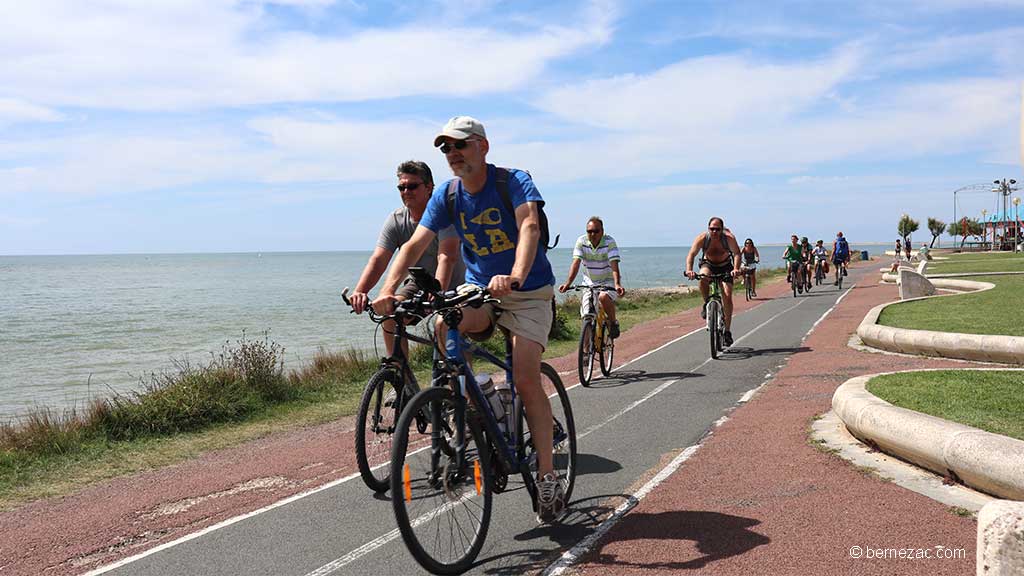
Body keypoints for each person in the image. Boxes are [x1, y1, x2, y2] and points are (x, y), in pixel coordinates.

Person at [371, 116, 565, 523]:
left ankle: (547, 474)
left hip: (527, 291)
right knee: (445, 324)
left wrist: (514, 273)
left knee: (526, 376)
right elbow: (413, 245)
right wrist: (388, 290)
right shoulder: (447, 193)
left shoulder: (511, 182)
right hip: (480, 290)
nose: (452, 154)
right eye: (446, 148)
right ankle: (477, 407)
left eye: (460, 145)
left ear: (483, 147)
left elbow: (529, 225)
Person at [349, 160, 464, 357]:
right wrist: (361, 291)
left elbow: (447, 256)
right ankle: (400, 378)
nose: (406, 191)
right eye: (401, 187)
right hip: (419, 283)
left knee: (448, 334)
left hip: (454, 282)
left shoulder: (443, 214)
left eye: (412, 186)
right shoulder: (396, 220)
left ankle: (461, 383)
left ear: (429, 188)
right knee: (390, 314)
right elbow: (378, 259)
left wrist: (438, 293)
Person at [558, 216, 625, 338]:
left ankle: (613, 322)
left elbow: (614, 264)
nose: (592, 234)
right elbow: (576, 263)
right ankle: (585, 353)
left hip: (607, 281)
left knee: (603, 297)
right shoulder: (581, 242)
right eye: (589, 231)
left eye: (596, 231)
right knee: (586, 316)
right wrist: (567, 283)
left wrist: (617, 284)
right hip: (589, 283)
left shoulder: (609, 242)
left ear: (602, 231)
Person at [685, 217, 742, 347]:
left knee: (727, 296)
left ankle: (727, 331)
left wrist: (736, 269)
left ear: (722, 229)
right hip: (708, 263)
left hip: (725, 265)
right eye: (712, 229)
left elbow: (737, 253)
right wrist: (689, 270)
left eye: (717, 229)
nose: (714, 232)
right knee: (703, 277)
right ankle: (706, 303)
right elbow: (691, 254)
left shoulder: (729, 238)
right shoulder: (702, 238)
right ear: (708, 228)